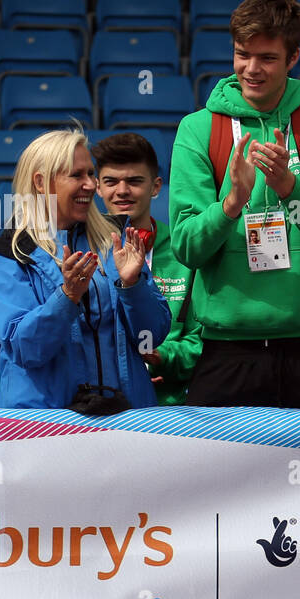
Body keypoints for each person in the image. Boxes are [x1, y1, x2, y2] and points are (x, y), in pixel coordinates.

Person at [168, 0, 300, 409]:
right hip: (224, 349)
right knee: (218, 475)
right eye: (242, 55)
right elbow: (185, 246)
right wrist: (230, 205)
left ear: (293, 58)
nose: (251, 69)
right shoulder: (199, 129)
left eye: (267, 58)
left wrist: (292, 187)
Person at [0, 129, 171, 410]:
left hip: (126, 418)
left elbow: (150, 338)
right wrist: (66, 297)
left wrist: (134, 287)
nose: (91, 185)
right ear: (41, 182)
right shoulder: (9, 254)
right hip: (48, 425)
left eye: (91, 174)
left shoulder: (114, 239)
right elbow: (25, 349)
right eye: (77, 175)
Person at [92, 132, 201, 407]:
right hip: (104, 405)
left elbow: (204, 339)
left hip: (175, 410)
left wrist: (163, 358)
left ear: (155, 187)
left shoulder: (186, 251)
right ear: (97, 188)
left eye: (134, 181)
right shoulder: (84, 253)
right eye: (111, 182)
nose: (122, 190)